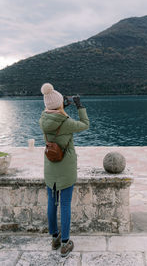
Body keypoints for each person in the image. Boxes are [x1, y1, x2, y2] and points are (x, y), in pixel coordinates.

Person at [39, 83, 89, 257]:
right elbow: (85, 124)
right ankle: (66, 243)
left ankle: (55, 238)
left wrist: (60, 106)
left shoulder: (42, 119)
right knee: (65, 204)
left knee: (52, 203)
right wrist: (79, 105)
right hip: (66, 169)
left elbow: (52, 113)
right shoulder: (66, 122)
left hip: (50, 168)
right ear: (59, 103)